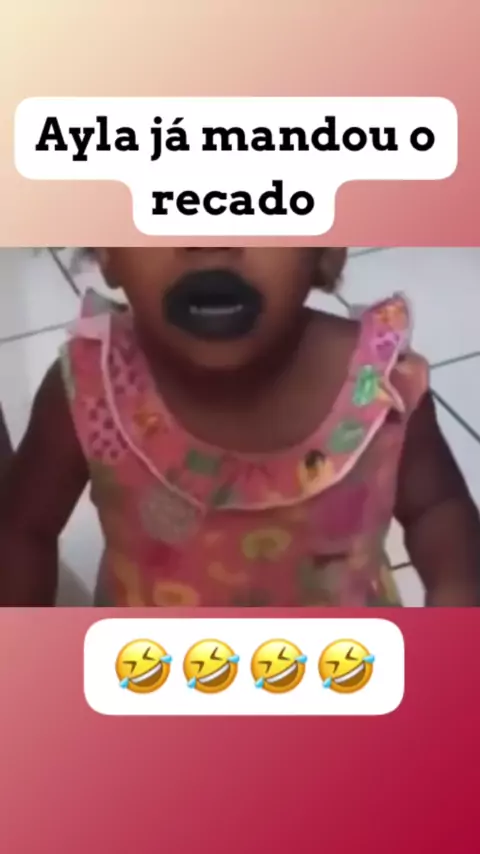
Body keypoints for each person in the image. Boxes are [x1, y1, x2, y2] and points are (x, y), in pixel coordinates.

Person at [0, 248, 479, 607]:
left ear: (326, 248)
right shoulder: (90, 385)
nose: (211, 240)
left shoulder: (382, 386)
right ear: (107, 251)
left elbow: (437, 507)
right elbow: (23, 530)